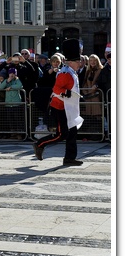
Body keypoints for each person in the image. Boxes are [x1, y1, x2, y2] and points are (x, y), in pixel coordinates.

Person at [33, 38, 85, 166]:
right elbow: (56, 88)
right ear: (72, 62)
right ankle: (39, 144)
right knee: (62, 134)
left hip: (69, 107)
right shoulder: (65, 73)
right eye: (78, 61)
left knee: (72, 133)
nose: (80, 63)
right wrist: (66, 93)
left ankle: (69, 158)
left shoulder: (72, 72)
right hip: (60, 107)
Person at [0, 67, 24, 139]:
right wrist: (7, 81)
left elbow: (20, 86)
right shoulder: (7, 80)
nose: (12, 75)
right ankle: (13, 133)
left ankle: (19, 133)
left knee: (17, 119)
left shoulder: (17, 80)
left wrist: (11, 87)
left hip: (16, 103)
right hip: (8, 104)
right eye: (10, 73)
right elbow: (1, 87)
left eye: (13, 73)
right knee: (11, 119)